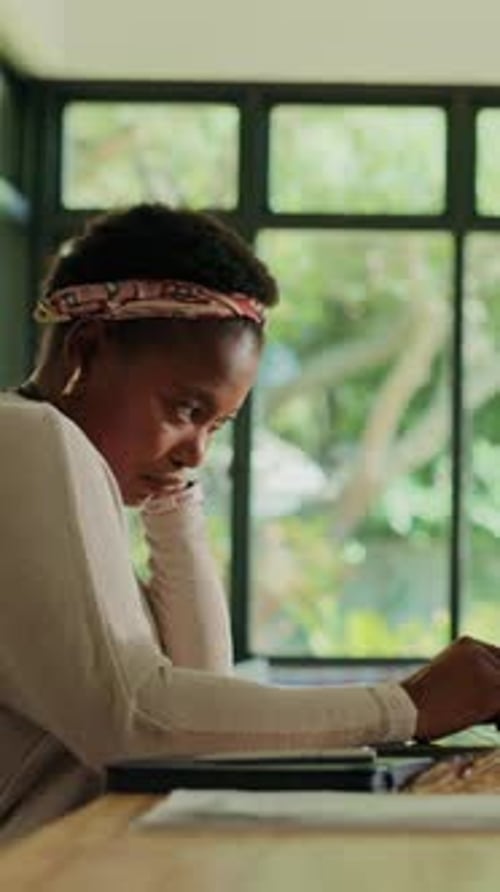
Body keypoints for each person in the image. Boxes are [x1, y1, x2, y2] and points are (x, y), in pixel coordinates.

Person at [1, 203, 500, 841]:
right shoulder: (25, 436)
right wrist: (406, 706)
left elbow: (197, 704)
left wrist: (172, 500)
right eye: (185, 409)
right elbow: (135, 721)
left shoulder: (64, 464)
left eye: (217, 426)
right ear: (87, 349)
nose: (196, 452)